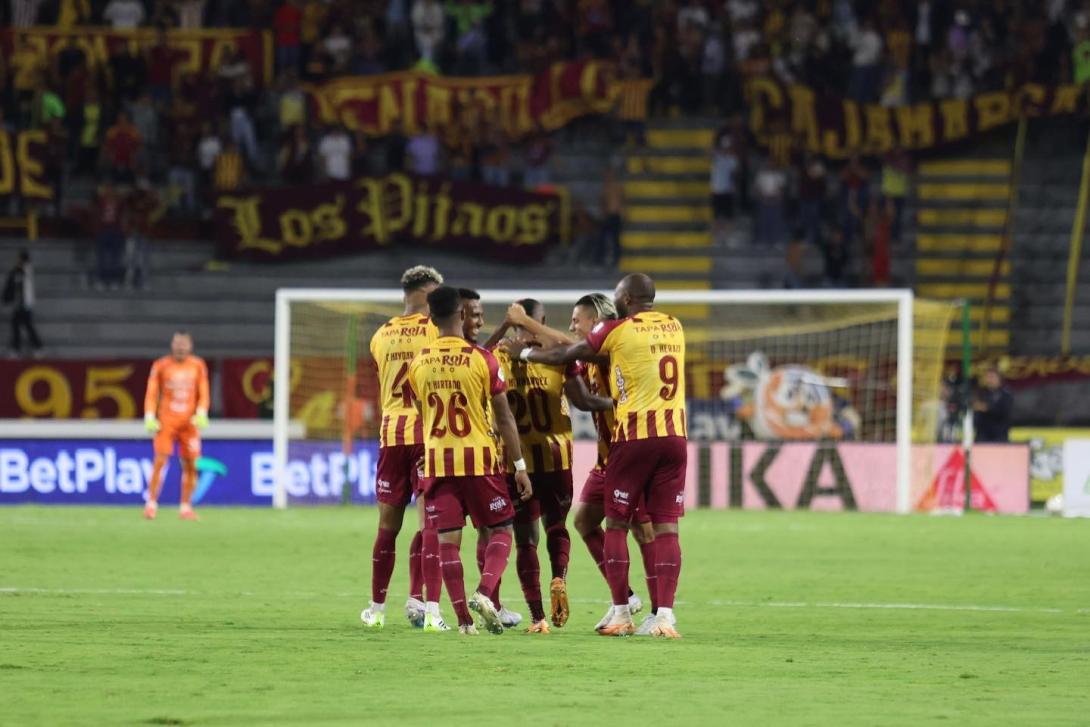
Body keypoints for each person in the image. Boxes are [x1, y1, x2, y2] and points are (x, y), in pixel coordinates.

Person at [511, 274, 687, 638]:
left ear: (600, 318)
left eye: (578, 320)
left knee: (636, 528)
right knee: (587, 520)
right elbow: (580, 394)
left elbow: (567, 348)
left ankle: (646, 610)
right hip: (641, 445)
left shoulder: (615, 338)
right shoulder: (671, 325)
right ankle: (639, 604)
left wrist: (526, 330)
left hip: (631, 442)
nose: (572, 327)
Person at [407, 285, 532, 635]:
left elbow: (423, 416)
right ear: (461, 314)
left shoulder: (418, 363)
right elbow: (504, 417)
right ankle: (485, 592)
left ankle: (464, 622)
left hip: (438, 462)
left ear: (431, 319)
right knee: (501, 529)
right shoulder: (482, 359)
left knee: (448, 541)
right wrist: (519, 467)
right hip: (479, 461)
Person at [487, 299, 584, 633]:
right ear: (543, 320)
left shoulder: (499, 357)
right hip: (558, 457)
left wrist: (507, 326)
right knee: (557, 526)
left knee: (526, 540)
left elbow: (474, 354)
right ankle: (559, 577)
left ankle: (538, 617)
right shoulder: (558, 357)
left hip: (517, 463)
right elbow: (578, 362)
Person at [360, 265, 446, 631]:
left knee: (386, 528)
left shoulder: (380, 335)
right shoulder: (436, 330)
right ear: (428, 294)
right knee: (431, 525)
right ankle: (429, 610)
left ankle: (376, 609)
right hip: (427, 436)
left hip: (391, 437)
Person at [143, 331, 210, 521]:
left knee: (191, 464)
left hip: (189, 422)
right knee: (160, 461)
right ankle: (151, 504)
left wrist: (202, 412)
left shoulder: (198, 365)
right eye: (177, 344)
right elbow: (152, 392)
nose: (181, 348)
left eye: (184, 344)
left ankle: (186, 507)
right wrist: (149, 415)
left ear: (190, 346)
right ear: (172, 345)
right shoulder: (161, 365)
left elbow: (203, 391)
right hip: (167, 421)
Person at [3, 250, 43, 358]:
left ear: (22, 259)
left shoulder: (26, 270)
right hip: (19, 305)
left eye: (19, 258)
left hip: (24, 305)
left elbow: (24, 287)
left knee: (25, 326)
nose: (17, 261)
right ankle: (23, 348)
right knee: (18, 326)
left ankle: (36, 347)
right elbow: (12, 286)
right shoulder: (18, 271)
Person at [973, 366, 1012, 443]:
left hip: (999, 436)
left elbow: (1004, 411)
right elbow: (976, 409)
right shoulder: (981, 393)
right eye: (987, 377)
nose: (989, 380)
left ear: (999, 378)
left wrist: (987, 408)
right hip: (983, 435)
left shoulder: (1005, 394)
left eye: (992, 377)